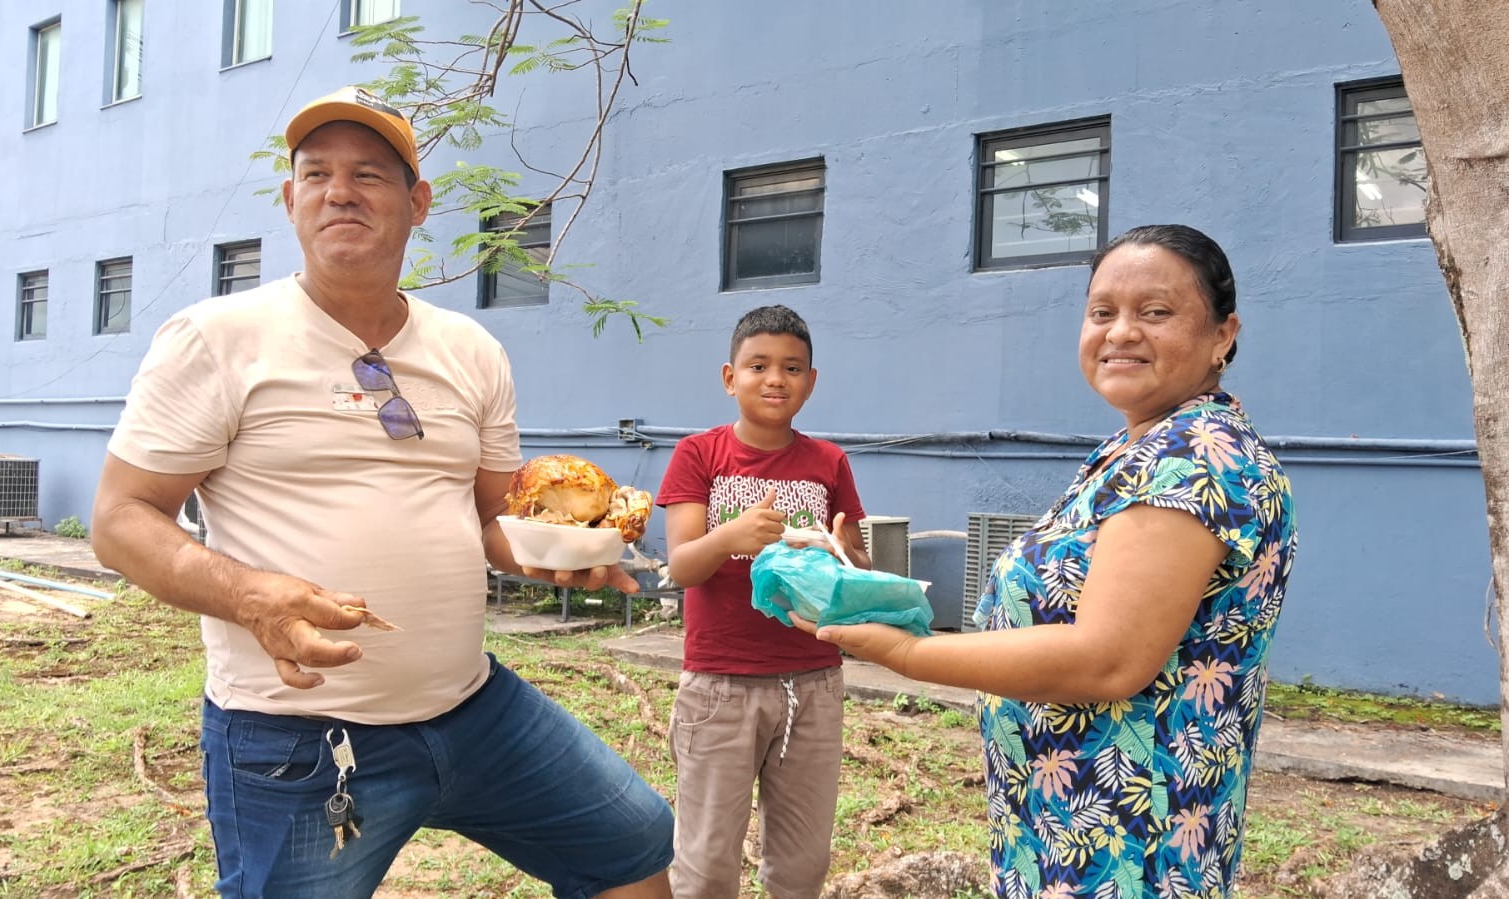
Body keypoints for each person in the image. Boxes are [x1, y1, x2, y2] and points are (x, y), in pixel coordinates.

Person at [89, 86, 674, 899]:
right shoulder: (217, 339)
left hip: (473, 707)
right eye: (316, 173)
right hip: (295, 738)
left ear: (417, 201)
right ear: (291, 199)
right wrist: (252, 594)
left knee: (634, 844)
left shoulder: (470, 349)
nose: (340, 191)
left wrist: (559, 553)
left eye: (369, 173)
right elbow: (120, 519)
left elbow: (490, 520)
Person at [793, 225, 1297, 898]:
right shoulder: (1132, 448)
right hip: (1067, 828)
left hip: (1130, 847)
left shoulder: (1195, 456)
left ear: (1221, 334)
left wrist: (905, 655)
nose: (1119, 332)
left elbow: (1105, 657)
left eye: (1155, 311)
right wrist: (867, 585)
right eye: (1101, 312)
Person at [654, 304, 871, 899]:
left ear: (811, 381)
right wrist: (729, 537)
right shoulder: (699, 455)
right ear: (730, 377)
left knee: (801, 865)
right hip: (719, 686)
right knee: (705, 866)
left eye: (792, 368)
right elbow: (681, 566)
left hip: (815, 685)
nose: (776, 378)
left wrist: (855, 556)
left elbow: (855, 576)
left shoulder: (829, 462)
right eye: (759, 365)